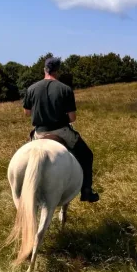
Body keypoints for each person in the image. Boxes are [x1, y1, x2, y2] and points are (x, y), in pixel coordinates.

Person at [22, 56, 100, 203]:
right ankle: (86, 191)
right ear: (57, 71)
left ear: (44, 69)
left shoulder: (31, 88)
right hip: (61, 131)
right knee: (87, 155)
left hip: (39, 133)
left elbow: (26, 113)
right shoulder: (65, 89)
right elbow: (72, 118)